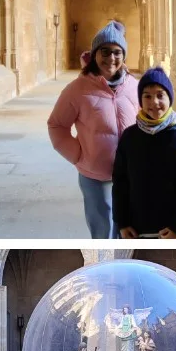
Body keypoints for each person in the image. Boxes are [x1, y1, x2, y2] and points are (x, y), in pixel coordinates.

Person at [48, 20, 140, 239]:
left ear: (123, 55)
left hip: (129, 173)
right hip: (96, 175)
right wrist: (80, 155)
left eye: (117, 52)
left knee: (129, 229)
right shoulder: (77, 89)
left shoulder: (134, 85)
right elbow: (57, 125)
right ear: (95, 54)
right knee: (103, 231)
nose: (111, 58)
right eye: (105, 52)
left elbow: (144, 121)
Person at [113, 67, 176, 239]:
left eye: (160, 95)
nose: (154, 102)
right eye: (147, 96)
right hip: (138, 228)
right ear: (141, 100)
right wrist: (123, 222)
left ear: (169, 98)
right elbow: (120, 182)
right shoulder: (130, 137)